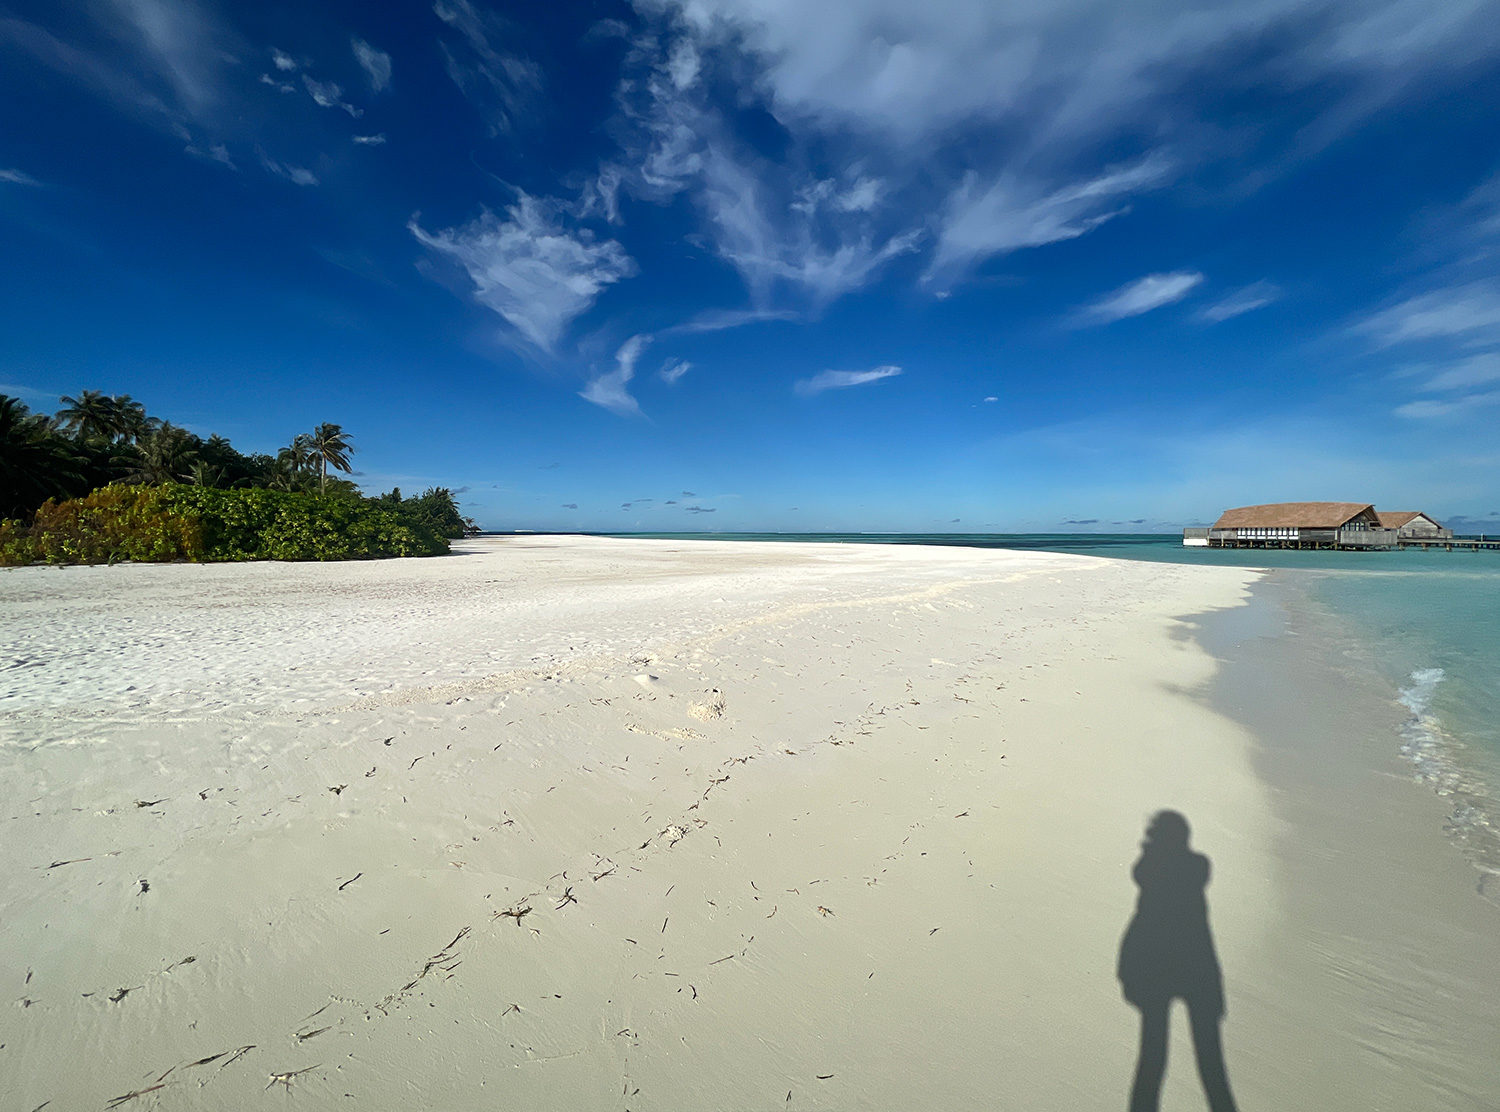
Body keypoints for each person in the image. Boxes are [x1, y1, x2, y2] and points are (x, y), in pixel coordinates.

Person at [1117, 811, 1238, 1112]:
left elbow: (1146, 881)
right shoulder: (1192, 868)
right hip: (1193, 974)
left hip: (1165, 973)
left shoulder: (1163, 870)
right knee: (1207, 1065)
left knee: (1156, 1060)